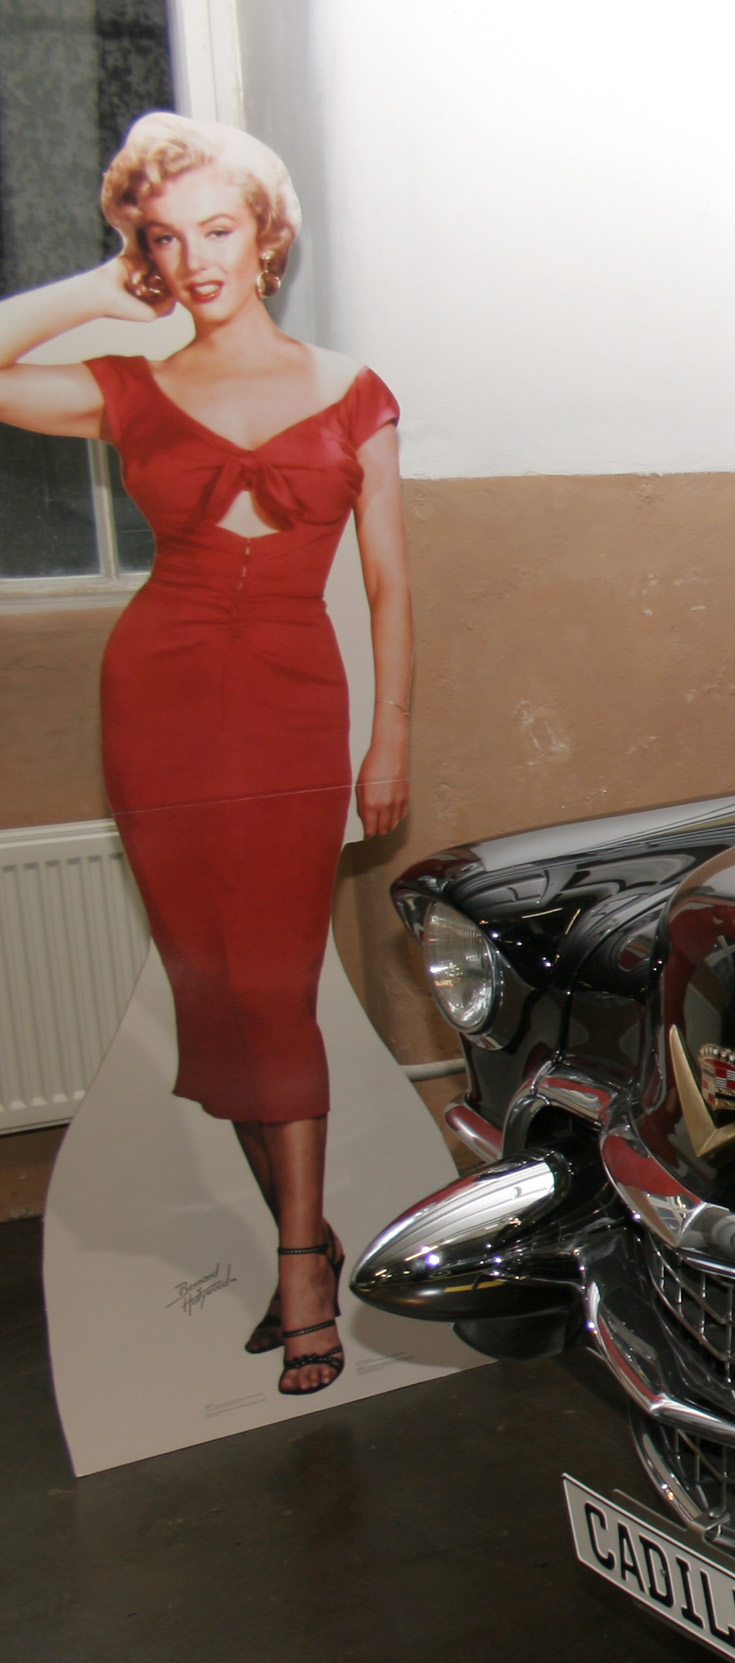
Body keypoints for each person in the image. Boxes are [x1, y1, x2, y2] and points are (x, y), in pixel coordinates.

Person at [0, 114, 413, 1395]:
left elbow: (392, 588)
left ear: (268, 237)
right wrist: (97, 279)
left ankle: (297, 1263)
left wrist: (386, 735)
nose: (193, 261)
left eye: (217, 230)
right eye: (164, 238)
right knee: (216, 994)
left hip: (295, 703)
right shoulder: (129, 387)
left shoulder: (354, 391)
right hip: (158, 704)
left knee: (275, 984)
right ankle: (311, 1234)